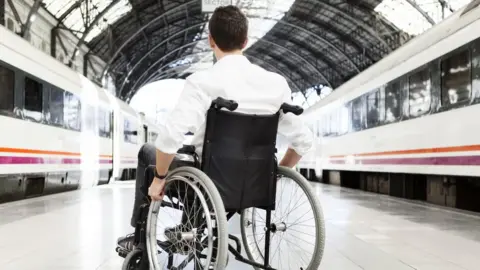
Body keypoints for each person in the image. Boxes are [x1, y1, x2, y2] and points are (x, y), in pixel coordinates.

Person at [117, 5, 313, 252]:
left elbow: (170, 138)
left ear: (211, 40)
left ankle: (139, 239)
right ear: (245, 40)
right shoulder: (276, 85)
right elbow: (304, 141)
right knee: (196, 162)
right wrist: (274, 174)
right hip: (254, 183)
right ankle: (186, 229)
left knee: (150, 152)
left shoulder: (203, 82)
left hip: (207, 178)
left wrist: (159, 178)